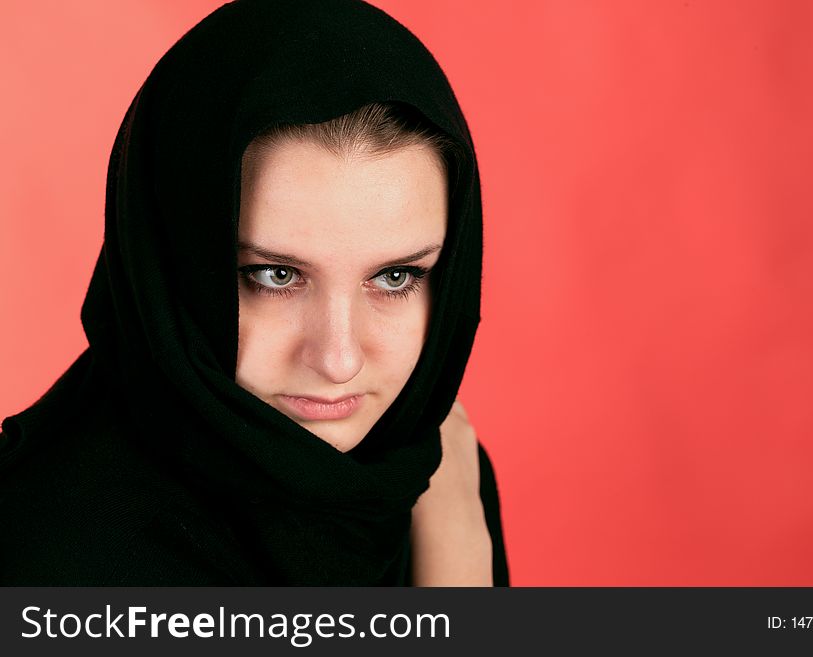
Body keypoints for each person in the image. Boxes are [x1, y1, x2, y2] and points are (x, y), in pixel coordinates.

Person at [0, 0, 508, 586]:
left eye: (396, 276)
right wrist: (459, 550)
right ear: (173, 268)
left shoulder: (418, 461)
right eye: (275, 276)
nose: (339, 361)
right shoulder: (56, 560)